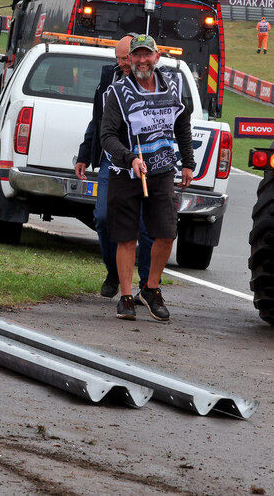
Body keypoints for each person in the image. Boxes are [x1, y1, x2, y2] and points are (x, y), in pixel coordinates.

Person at [99, 34, 195, 322]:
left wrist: (188, 162)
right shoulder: (118, 92)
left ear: (157, 57)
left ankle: (151, 289)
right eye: (136, 55)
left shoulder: (173, 87)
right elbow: (107, 136)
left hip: (163, 171)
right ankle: (126, 297)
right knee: (126, 238)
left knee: (166, 233)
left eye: (147, 55)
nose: (142, 60)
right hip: (126, 173)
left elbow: (183, 125)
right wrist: (130, 158)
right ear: (129, 59)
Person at [75, 35, 152, 298]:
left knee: (146, 224)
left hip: (147, 159)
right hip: (113, 158)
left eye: (126, 58)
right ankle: (114, 271)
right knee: (104, 217)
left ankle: (147, 285)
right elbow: (97, 121)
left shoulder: (155, 79)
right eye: (118, 59)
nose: (123, 63)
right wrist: (85, 153)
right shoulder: (109, 78)